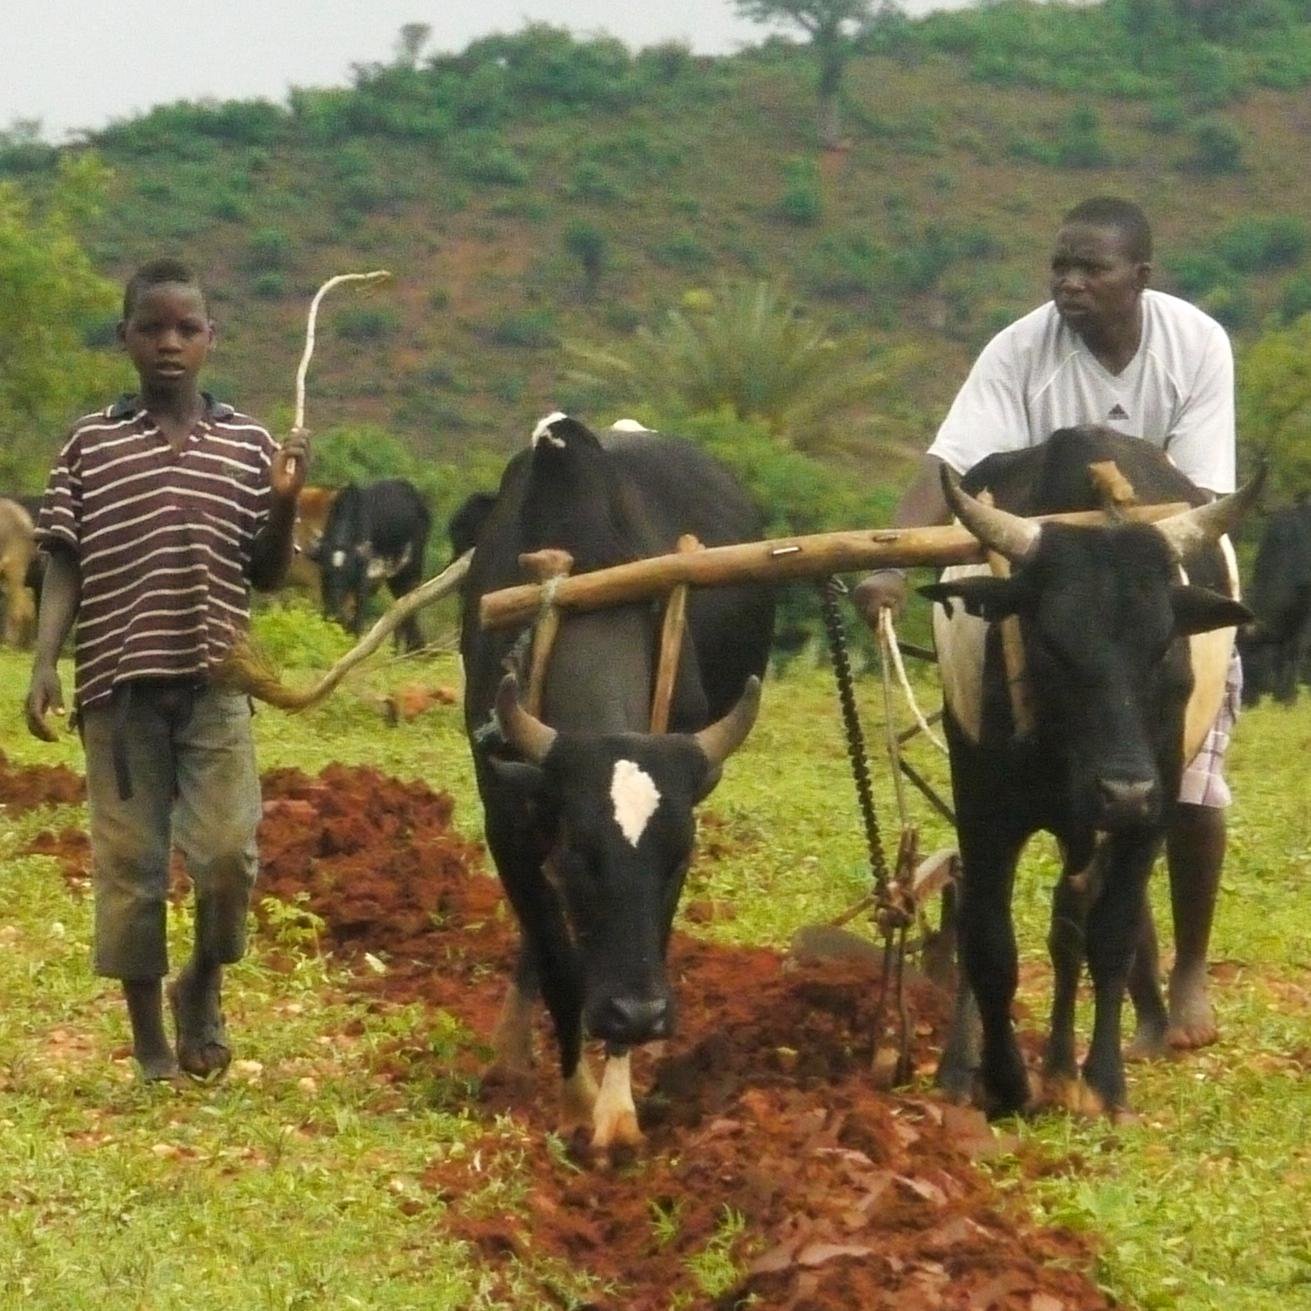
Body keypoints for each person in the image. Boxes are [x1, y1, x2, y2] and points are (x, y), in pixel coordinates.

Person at [854, 196, 1237, 1052]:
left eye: (1090, 269)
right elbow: (949, 464)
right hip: (1046, 583)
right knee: (1046, 755)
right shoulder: (1019, 347)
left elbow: (1204, 496)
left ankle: (1186, 972)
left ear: (1139, 277)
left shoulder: (1195, 343)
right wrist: (890, 561)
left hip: (1152, 580)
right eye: (1059, 266)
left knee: (1189, 790)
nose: (1067, 283)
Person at [24, 258, 309, 1082]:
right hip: (116, 691)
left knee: (227, 855)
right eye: (152, 328)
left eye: (187, 329)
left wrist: (287, 499)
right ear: (126, 339)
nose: (170, 344)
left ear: (212, 340)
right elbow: (64, 562)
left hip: (217, 687)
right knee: (131, 871)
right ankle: (150, 1044)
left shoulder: (251, 444)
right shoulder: (91, 442)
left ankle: (203, 984)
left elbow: (268, 571)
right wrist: (46, 659)